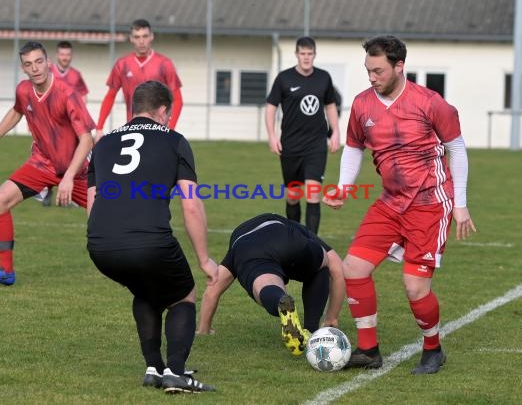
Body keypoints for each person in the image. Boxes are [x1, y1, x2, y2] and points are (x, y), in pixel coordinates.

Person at [323, 35, 477, 374]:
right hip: (390, 204)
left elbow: (457, 149)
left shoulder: (431, 103)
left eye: (378, 70)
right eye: (368, 70)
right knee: (354, 268)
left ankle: (433, 349)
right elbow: (353, 147)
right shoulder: (363, 104)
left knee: (414, 285)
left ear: (399, 66)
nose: (372, 77)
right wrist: (343, 187)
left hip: (430, 204)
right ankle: (368, 349)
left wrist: (460, 203)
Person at [87, 81, 218, 394]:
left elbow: (92, 200)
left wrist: (104, 236)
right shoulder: (174, 141)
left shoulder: (102, 144)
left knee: (147, 290)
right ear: (162, 111)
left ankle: (153, 367)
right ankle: (175, 373)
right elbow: (191, 206)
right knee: (183, 294)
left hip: (100, 244)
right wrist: (204, 259)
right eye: (168, 113)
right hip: (149, 241)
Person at [0, 41, 95, 286]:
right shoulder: (24, 90)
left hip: (78, 171)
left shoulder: (68, 93)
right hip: (42, 164)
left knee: (107, 223)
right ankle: (6, 272)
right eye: (28, 64)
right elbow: (17, 111)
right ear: (23, 68)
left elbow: (87, 139)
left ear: (48, 63)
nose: (35, 68)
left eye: (39, 62)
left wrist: (69, 177)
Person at [197, 213, 345, 356]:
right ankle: (310, 331)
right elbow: (336, 265)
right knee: (322, 265)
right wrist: (332, 318)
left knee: (266, 284)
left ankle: (280, 302)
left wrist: (204, 329)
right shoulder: (295, 227)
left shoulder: (236, 248)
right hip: (286, 236)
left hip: (248, 249)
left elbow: (212, 291)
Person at [265, 36, 341, 235]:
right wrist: (272, 135)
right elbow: (271, 107)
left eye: (310, 54)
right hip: (290, 144)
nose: (306, 58)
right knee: (293, 195)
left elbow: (330, 105)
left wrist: (336, 132)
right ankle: (294, 237)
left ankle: (312, 244)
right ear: (297, 55)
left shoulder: (324, 78)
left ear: (314, 55)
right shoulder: (284, 78)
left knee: (313, 193)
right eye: (303, 54)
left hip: (316, 144)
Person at [95, 18, 182, 141]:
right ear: (131, 39)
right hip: (132, 129)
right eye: (137, 37)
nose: (141, 41)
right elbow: (110, 96)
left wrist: (170, 129)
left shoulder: (164, 64)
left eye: (145, 36)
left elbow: (178, 99)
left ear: (151, 36)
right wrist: (99, 128)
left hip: (158, 131)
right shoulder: (122, 64)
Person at [39, 40, 90, 207]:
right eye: (62, 54)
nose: (65, 57)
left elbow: (83, 96)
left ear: (71, 56)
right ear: (57, 55)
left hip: (71, 125)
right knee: (48, 158)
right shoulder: (48, 71)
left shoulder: (76, 75)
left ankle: (71, 193)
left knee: (72, 158)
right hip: (49, 124)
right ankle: (46, 191)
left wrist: (81, 116)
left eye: (68, 54)